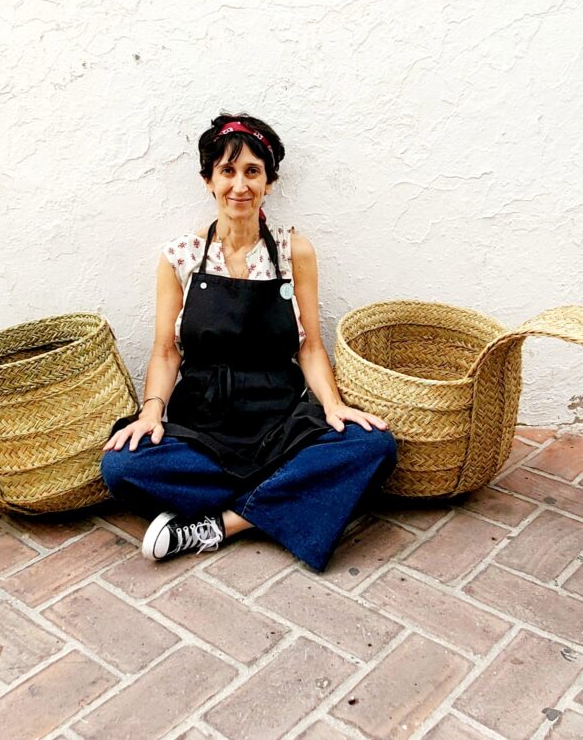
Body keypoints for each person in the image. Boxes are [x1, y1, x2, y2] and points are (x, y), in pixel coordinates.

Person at [100, 113, 397, 571]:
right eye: (227, 171)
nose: (240, 185)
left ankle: (219, 525)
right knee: (122, 466)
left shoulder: (294, 250)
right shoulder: (179, 256)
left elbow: (310, 347)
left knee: (373, 445)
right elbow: (166, 351)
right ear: (208, 180)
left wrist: (334, 406)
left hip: (280, 419)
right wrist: (151, 411)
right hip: (202, 422)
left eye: (252, 172)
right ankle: (289, 498)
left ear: (269, 182)